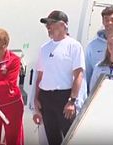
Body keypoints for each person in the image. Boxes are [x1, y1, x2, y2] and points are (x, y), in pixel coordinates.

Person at [33, 10, 85, 145]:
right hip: (46, 97)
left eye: (51, 23)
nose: (48, 27)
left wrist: (72, 100)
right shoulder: (44, 48)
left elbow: (78, 75)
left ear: (63, 25)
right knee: (52, 138)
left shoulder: (74, 45)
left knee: (70, 138)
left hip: (64, 97)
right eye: (47, 24)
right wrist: (36, 99)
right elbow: (40, 76)